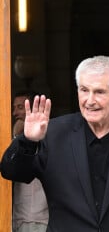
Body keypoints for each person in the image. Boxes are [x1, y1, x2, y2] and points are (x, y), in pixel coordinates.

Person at [1, 56, 109, 232]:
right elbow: (12, 172)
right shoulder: (53, 133)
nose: (89, 100)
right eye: (84, 90)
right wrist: (28, 140)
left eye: (99, 92)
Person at [12, 90, 49, 232]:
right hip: (18, 218)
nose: (15, 113)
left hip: (36, 220)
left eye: (20, 107)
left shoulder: (45, 138)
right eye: (14, 108)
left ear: (35, 108)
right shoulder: (15, 138)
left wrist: (17, 135)